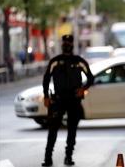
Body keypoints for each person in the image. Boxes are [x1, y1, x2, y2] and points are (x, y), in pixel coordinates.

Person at [41, 35, 94, 166]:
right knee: (53, 129)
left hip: (74, 100)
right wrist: (46, 97)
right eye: (65, 42)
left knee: (72, 129)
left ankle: (68, 157)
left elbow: (91, 77)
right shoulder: (55, 61)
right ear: (62, 44)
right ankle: (48, 158)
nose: (67, 44)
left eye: (69, 42)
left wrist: (84, 88)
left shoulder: (79, 61)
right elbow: (46, 79)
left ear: (72, 44)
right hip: (58, 100)